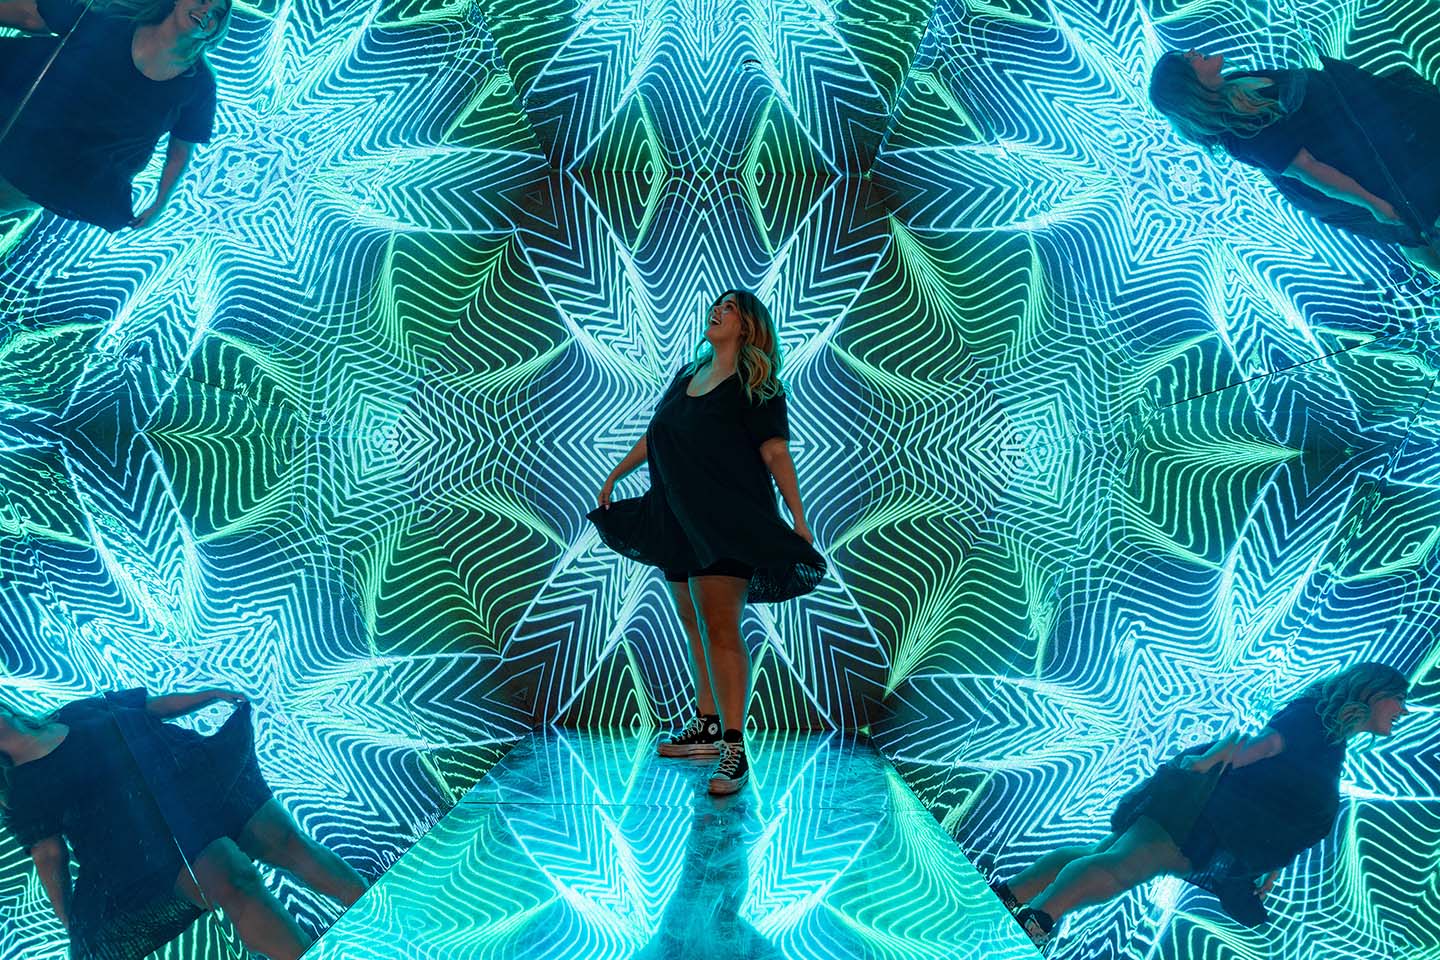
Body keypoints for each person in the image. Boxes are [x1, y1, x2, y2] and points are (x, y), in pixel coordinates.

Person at [988, 662, 1410, 948]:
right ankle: (1037, 920)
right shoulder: (1312, 721)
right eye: (1398, 699)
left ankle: (1010, 897)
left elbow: (1286, 796)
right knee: (1124, 867)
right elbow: (1264, 747)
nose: (1403, 710)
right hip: (1204, 813)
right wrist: (1206, 764)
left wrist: (1274, 857)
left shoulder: (1329, 738)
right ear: (1373, 693)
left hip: (1214, 818)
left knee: (1108, 855)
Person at [588, 290, 826, 796]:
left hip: (728, 518)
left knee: (720, 626)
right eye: (716, 305)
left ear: (748, 326)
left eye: (732, 308)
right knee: (694, 622)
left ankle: (735, 751)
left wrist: (800, 518)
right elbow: (656, 437)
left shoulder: (756, 385)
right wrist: (616, 475)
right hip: (675, 516)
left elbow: (775, 452)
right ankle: (707, 723)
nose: (718, 311)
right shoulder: (684, 378)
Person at [0, 687, 369, 960]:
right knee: (237, 883)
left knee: (291, 843)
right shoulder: (20, 789)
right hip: (152, 842)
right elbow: (49, 857)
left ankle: (383, 919)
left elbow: (150, 708)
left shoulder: (73, 712)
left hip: (198, 778)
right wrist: (74, 928)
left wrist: (209, 695)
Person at [1148, 49, 1440, 276]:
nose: (1193, 52)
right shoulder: (1239, 132)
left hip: (1361, 135)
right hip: (1350, 174)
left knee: (1414, 217)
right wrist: (1372, 203)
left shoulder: (1235, 82)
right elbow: (1310, 170)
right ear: (1189, 85)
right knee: (1409, 228)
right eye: (1186, 60)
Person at [0, 0, 228, 229]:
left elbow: (180, 151)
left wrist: (159, 204)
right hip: (22, 138)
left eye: (218, 13)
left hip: (71, 179)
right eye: (202, 0)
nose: (208, 11)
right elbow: (32, 16)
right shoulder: (114, 25)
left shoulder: (199, 84)